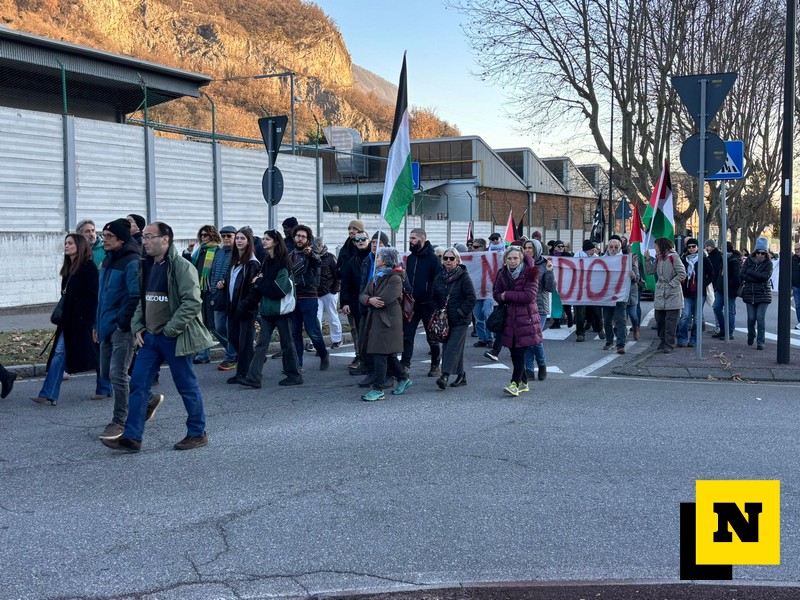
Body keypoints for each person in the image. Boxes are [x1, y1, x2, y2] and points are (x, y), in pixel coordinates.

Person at [102, 221, 213, 453]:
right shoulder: (147, 265)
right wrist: (138, 326)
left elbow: (192, 302)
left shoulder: (181, 267)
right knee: (138, 384)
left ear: (166, 239)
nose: (145, 241)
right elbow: (143, 300)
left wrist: (170, 329)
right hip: (150, 339)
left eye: (150, 236)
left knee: (186, 385)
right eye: (143, 237)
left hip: (174, 337)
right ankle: (132, 437)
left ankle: (197, 432)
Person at [31, 234, 99, 406]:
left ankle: (107, 386)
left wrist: (85, 318)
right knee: (60, 354)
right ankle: (49, 393)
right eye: (65, 243)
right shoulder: (69, 268)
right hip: (68, 321)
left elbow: (93, 296)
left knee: (98, 355)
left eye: (70, 243)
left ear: (80, 246)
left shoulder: (88, 267)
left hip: (82, 321)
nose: (66, 246)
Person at [94, 219, 141, 441]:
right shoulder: (107, 261)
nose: (104, 240)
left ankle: (119, 420)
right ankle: (147, 398)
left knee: (117, 373)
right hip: (105, 325)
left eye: (109, 236)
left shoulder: (132, 262)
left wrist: (123, 322)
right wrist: (96, 324)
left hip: (122, 327)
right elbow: (102, 296)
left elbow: (135, 296)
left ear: (122, 239)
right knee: (105, 373)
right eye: (103, 235)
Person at [240, 229, 303, 388]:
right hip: (267, 311)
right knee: (261, 345)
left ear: (275, 242)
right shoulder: (267, 261)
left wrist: (260, 282)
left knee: (287, 344)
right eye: (263, 238)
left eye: (267, 239)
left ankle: (294, 375)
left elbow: (278, 290)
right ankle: (253, 378)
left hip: (282, 311)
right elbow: (264, 286)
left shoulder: (284, 263)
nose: (263, 241)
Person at [358, 247, 412, 401]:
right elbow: (362, 294)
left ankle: (378, 389)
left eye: (380, 256)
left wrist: (371, 299)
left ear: (387, 259)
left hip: (388, 322)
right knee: (388, 355)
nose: (377, 258)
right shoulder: (376, 276)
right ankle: (403, 378)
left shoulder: (395, 278)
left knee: (380, 354)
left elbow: (383, 300)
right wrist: (369, 300)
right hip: (376, 320)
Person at [493, 246, 542, 397]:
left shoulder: (531, 273)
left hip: (526, 318)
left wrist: (506, 295)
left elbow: (529, 296)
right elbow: (496, 292)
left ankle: (514, 383)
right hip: (509, 318)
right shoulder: (503, 273)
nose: (512, 261)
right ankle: (524, 382)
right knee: (514, 352)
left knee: (520, 352)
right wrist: (501, 296)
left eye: (515, 258)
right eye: (509, 258)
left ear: (521, 259)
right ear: (505, 260)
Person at [77, 218, 113, 400]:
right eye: (87, 231)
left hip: (100, 304)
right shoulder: (77, 252)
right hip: (83, 306)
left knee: (100, 345)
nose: (92, 234)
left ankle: (104, 387)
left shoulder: (103, 251)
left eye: (93, 230)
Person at [221, 228, 261, 384]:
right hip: (232, 306)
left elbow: (253, 290)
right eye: (237, 238)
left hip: (245, 308)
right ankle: (251, 360)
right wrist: (223, 283)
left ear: (248, 241)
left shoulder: (252, 263)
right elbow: (231, 281)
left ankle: (243, 373)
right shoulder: (234, 260)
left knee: (244, 341)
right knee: (233, 337)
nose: (238, 241)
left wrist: (244, 305)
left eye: (242, 238)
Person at [432, 247, 476, 389]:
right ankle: (461, 375)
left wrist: (459, 312)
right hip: (444, 320)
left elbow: (471, 298)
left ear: (457, 260)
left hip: (460, 320)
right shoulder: (439, 277)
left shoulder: (464, 276)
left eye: (452, 258)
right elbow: (433, 297)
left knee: (451, 347)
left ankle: (444, 375)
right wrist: (437, 312)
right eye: (446, 258)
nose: (449, 261)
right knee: (452, 347)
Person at [402, 228, 442, 377]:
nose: (410, 241)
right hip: (412, 304)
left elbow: (438, 282)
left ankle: (435, 364)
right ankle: (405, 365)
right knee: (407, 335)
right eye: (410, 238)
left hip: (428, 305)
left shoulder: (433, 259)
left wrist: (431, 297)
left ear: (422, 239)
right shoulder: (411, 258)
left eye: (413, 238)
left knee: (432, 337)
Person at [290, 224, 330, 371]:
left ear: (308, 240)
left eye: (303, 237)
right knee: (295, 332)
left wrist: (310, 255)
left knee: (312, 330)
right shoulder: (290, 255)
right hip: (294, 298)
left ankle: (323, 354)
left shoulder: (311, 254)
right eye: (298, 236)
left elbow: (316, 261)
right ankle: (298, 364)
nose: (300, 239)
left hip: (309, 297)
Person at [183, 225, 221, 365]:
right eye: (201, 235)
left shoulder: (217, 251)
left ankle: (232, 349)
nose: (203, 237)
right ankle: (203, 354)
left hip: (210, 292)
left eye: (206, 235)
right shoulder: (200, 251)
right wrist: (188, 252)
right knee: (202, 324)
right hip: (199, 291)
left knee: (213, 325)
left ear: (212, 236)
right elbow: (189, 267)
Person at [644, 237, 686, 353]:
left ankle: (669, 343)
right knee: (659, 319)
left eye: (656, 246)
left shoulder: (673, 257)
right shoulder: (658, 258)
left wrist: (672, 283)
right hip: (660, 292)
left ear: (661, 246)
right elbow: (650, 271)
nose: (654, 248)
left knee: (671, 321)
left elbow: (682, 273)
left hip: (672, 293)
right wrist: (647, 260)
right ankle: (662, 340)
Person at [339, 229, 372, 372]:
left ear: (368, 240)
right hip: (356, 302)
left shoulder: (375, 259)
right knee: (359, 331)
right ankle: (362, 359)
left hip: (375, 301)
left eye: (363, 239)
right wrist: (345, 302)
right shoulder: (352, 261)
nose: (360, 242)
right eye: (357, 240)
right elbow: (345, 283)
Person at [523, 239, 554, 379]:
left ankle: (541, 364)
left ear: (537, 249)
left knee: (535, 338)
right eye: (525, 248)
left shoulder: (545, 264)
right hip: (524, 306)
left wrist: (549, 272)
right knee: (527, 339)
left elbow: (550, 288)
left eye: (530, 248)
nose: (527, 250)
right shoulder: (521, 263)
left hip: (540, 307)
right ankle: (529, 369)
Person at [677, 237, 714, 348]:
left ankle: (694, 339)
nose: (692, 249)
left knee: (697, 317)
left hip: (699, 292)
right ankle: (682, 338)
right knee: (685, 315)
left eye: (694, 246)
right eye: (689, 247)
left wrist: (703, 283)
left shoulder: (703, 259)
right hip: (687, 292)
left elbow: (712, 274)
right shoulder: (683, 259)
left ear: (698, 247)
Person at [337, 220, 366, 356]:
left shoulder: (366, 248)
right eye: (349, 228)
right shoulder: (345, 249)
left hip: (366, 296)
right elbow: (343, 277)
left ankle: (367, 356)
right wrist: (344, 302)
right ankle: (358, 354)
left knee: (366, 328)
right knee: (354, 328)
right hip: (352, 296)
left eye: (354, 228)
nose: (351, 231)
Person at [211, 225, 237, 371]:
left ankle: (230, 357)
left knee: (230, 327)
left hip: (232, 296)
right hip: (218, 295)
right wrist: (213, 289)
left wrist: (225, 284)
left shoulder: (239, 253)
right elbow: (213, 272)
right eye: (224, 236)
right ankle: (238, 349)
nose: (226, 238)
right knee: (219, 326)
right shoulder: (218, 252)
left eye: (229, 236)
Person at [740, 237, 774, 350]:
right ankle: (751, 335)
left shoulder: (768, 263)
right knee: (751, 318)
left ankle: (760, 341)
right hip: (750, 293)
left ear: (766, 253)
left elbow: (765, 277)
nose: (760, 255)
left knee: (760, 318)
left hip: (763, 294)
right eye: (758, 252)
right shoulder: (749, 260)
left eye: (763, 253)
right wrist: (754, 276)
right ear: (755, 252)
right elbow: (742, 274)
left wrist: (751, 273)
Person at [602, 237, 631, 353]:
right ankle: (609, 341)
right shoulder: (602, 260)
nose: (613, 250)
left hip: (621, 294)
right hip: (607, 294)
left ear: (620, 248)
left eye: (616, 247)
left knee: (620, 319)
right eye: (611, 247)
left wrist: (633, 276)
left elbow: (637, 277)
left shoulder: (626, 260)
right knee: (607, 319)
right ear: (607, 248)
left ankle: (620, 344)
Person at [314, 238, 343, 349]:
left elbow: (337, 275)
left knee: (332, 316)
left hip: (329, 292)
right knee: (316, 317)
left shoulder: (330, 258)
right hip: (317, 292)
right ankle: (316, 341)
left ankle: (337, 339)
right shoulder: (313, 258)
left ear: (320, 246)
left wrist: (334, 290)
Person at [574, 240, 603, 342]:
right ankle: (580, 333)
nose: (593, 251)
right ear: (586, 250)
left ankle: (600, 329)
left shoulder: (595, 257)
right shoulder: (577, 257)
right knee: (580, 313)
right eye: (591, 249)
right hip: (580, 289)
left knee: (597, 310)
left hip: (592, 289)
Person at [711, 241, 741, 340]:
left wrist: (728, 285)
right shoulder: (723, 258)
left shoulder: (734, 260)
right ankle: (723, 330)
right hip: (721, 288)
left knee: (730, 311)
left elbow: (736, 277)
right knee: (716, 307)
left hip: (730, 290)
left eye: (722, 247)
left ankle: (729, 332)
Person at [470, 238, 494, 347]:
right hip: (476, 292)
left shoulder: (490, 257)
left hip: (489, 291)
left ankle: (490, 338)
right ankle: (482, 339)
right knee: (478, 317)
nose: (473, 249)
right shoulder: (471, 259)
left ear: (482, 247)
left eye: (476, 247)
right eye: (472, 246)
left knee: (487, 313)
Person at [548, 240, 573, 329]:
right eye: (559, 246)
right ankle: (556, 321)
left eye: (562, 246)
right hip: (555, 281)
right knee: (555, 302)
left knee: (566, 301)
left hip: (565, 281)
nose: (561, 248)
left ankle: (569, 316)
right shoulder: (550, 257)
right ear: (555, 247)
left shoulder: (567, 256)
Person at [792, 242, 800, 330]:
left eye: (799, 249)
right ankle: (799, 321)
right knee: (798, 305)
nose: (797, 251)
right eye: (796, 249)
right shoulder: (792, 259)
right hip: (796, 285)